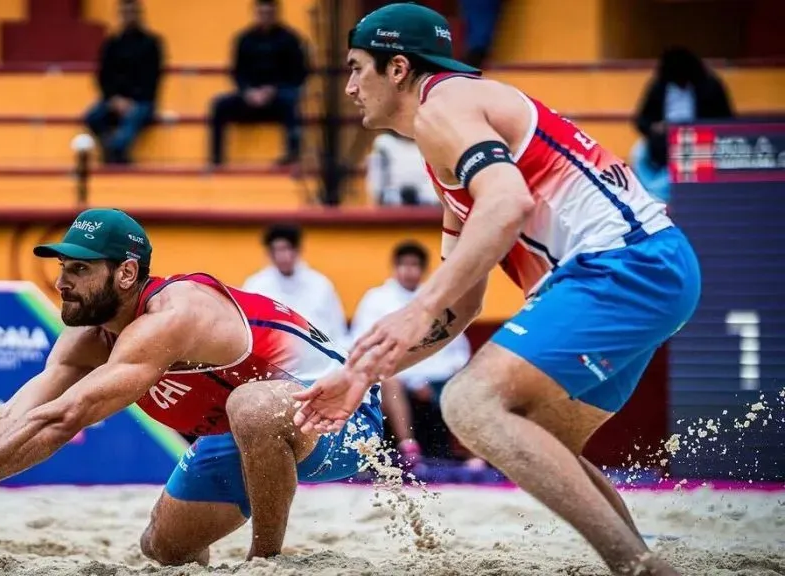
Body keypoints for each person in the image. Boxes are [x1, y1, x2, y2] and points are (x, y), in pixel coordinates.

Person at [293, 4, 700, 576]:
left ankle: (639, 568)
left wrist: (420, 306)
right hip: (647, 269)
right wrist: (362, 373)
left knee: (470, 403)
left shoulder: (444, 106)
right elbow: (464, 307)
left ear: (400, 69)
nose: (352, 86)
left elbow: (509, 204)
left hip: (624, 265)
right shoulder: (450, 145)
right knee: (532, 436)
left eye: (358, 68)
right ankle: (637, 561)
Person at [0, 208, 382, 566]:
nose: (63, 281)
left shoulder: (175, 314)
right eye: (63, 268)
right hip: (241, 435)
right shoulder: (87, 338)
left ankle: (265, 562)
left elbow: (63, 420)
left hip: (338, 414)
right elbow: (13, 416)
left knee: (250, 403)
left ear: (128, 273)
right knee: (163, 549)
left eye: (80, 270)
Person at [350, 240, 475, 473]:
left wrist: (436, 377)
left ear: (423, 269)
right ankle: (409, 448)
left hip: (438, 377)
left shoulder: (438, 299)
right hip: (396, 376)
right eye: (404, 265)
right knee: (388, 382)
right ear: (395, 267)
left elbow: (459, 350)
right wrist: (414, 380)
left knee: (467, 383)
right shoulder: (376, 300)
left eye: (415, 265)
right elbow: (365, 345)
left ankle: (474, 456)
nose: (409, 271)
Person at [209, 0, 309, 167]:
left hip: (279, 95)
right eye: (261, 14)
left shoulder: (290, 39)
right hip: (250, 95)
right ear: (255, 14)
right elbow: (237, 73)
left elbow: (299, 74)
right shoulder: (244, 39)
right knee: (219, 104)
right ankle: (216, 158)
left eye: (269, 14)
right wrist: (247, 91)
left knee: (292, 103)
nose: (265, 18)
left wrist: (273, 90)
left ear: (276, 14)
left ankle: (292, 154)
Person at [631, 47, 733, 202]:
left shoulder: (710, 86)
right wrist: (654, 127)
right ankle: (651, 196)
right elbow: (641, 119)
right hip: (662, 141)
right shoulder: (659, 86)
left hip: (700, 142)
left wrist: (699, 129)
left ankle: (662, 197)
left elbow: (726, 119)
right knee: (638, 152)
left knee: (681, 164)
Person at [242, 223, 350, 347]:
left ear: (298, 250)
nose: (283, 256)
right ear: (269, 253)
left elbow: (337, 332)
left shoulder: (320, 285)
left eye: (287, 248)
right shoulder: (255, 286)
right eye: (277, 250)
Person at [84, 0, 163, 164]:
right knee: (92, 116)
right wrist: (114, 99)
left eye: (132, 13)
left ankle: (116, 151)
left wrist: (130, 101)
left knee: (129, 125)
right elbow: (103, 76)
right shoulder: (112, 44)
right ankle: (110, 148)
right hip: (114, 99)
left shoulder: (152, 43)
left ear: (140, 15)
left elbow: (152, 79)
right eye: (125, 13)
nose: (129, 17)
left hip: (142, 101)